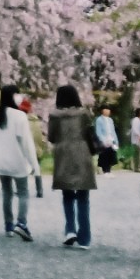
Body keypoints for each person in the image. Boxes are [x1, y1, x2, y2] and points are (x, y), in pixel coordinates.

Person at [48, 83, 97, 248]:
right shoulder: (84, 114)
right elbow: (90, 134)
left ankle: (70, 230)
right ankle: (85, 239)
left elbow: (51, 138)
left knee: (67, 195)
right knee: (83, 197)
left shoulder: (54, 115)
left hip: (63, 155)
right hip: (82, 153)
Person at [0, 84, 37, 241]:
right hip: (17, 160)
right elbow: (26, 143)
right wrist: (33, 164)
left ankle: (8, 225)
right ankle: (21, 223)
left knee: (7, 193)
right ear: (15, 96)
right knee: (23, 192)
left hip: (0, 160)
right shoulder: (19, 116)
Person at [93, 103, 119, 174]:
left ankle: (108, 170)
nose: (107, 111)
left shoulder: (110, 120)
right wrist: (103, 140)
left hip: (111, 140)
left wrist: (116, 141)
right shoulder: (99, 120)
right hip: (104, 141)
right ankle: (105, 170)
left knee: (111, 156)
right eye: (106, 109)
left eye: (108, 109)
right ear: (102, 110)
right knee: (104, 156)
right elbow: (99, 132)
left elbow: (113, 131)